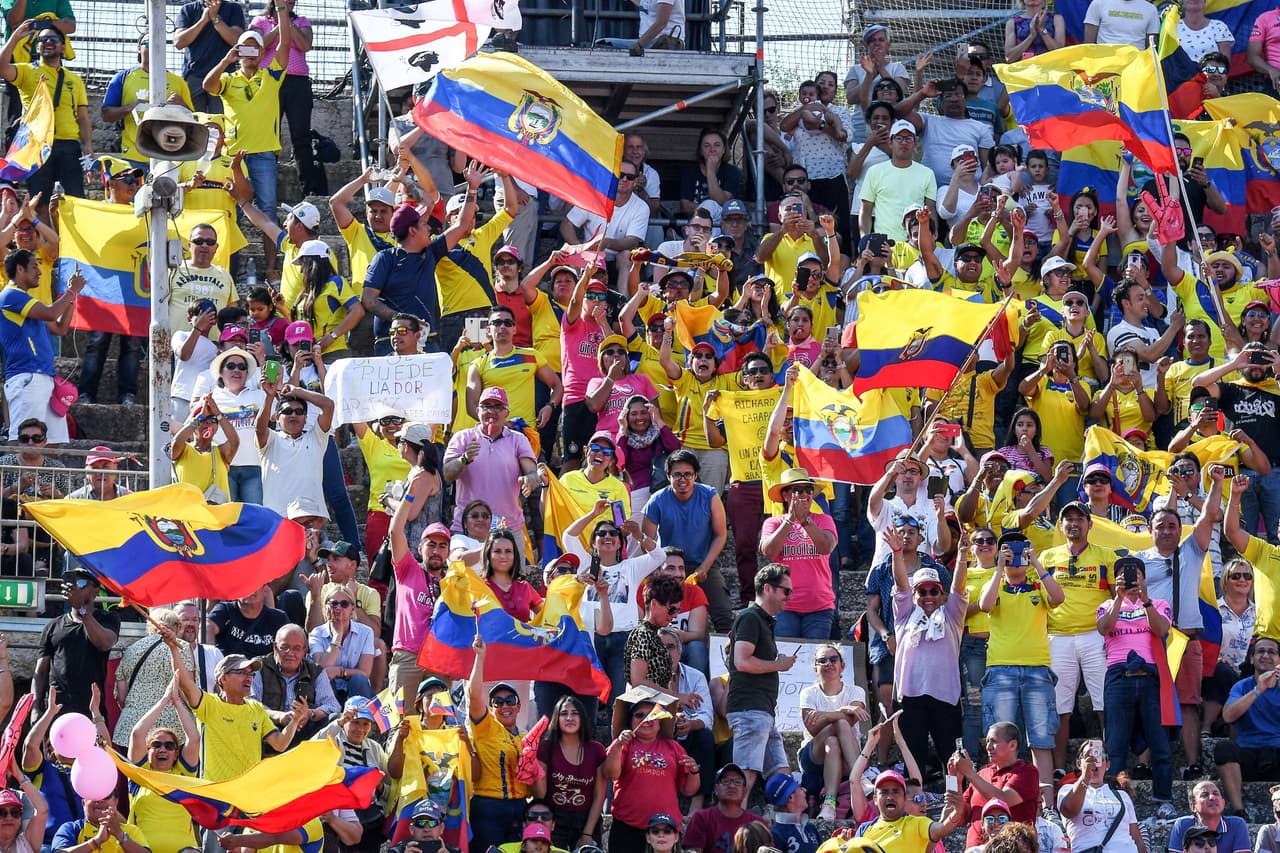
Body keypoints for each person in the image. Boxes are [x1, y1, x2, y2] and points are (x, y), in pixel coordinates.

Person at [162, 626, 305, 782]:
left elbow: (280, 744)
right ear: (224, 678)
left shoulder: (256, 707)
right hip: (216, 795)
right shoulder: (209, 704)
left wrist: (295, 720)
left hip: (247, 795)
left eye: (251, 673)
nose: (249, 678)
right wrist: (173, 648)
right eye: (242, 672)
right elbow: (184, 682)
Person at [207, 14, 293, 274]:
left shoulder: (271, 76)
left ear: (262, 51)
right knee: (230, 207)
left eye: (255, 47)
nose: (250, 53)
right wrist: (226, 60)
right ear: (238, 51)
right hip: (234, 156)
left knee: (267, 208)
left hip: (264, 153)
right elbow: (207, 85)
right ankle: (224, 265)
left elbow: (286, 45)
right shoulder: (229, 80)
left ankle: (270, 266)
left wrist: (281, 11)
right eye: (245, 47)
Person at [1096, 556, 1175, 818]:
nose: (1131, 578)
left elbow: (1161, 629)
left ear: (1143, 577)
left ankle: (1163, 799)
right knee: (1115, 744)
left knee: (1159, 742)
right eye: (1124, 574)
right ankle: (1113, 800)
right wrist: (1119, 597)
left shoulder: (1159, 603)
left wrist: (1145, 599)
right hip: (1119, 675)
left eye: (1136, 573)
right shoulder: (1107, 604)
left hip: (1151, 676)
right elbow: (1104, 628)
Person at [641, 450, 732, 632]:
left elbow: (721, 534)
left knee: (723, 614)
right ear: (668, 476)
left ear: (695, 475)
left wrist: (705, 567)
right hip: (667, 564)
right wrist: (661, 568)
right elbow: (647, 542)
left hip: (703, 563)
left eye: (688, 474)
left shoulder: (710, 496)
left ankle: (725, 657)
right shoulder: (657, 500)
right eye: (677, 475)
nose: (683, 479)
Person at [0, 22, 89, 207]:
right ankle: (43, 236)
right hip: (37, 147)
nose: (48, 42)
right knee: (39, 202)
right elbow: (2, 67)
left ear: (63, 46)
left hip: (69, 145)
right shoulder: (26, 70)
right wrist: (15, 37)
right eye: (42, 39)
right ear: (37, 46)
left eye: (54, 39)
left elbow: (83, 117)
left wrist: (88, 146)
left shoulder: (75, 79)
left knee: (76, 202)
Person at [727, 563, 796, 795]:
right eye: (786, 591)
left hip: (762, 712)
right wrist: (779, 665)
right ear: (768, 589)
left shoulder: (759, 620)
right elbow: (742, 662)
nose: (789, 597)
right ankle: (733, 826)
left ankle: (782, 825)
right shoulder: (750, 618)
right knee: (744, 776)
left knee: (782, 776)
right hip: (750, 710)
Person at [0, 250, 82, 443]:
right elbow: (52, 314)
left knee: (52, 442)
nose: (40, 272)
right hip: (26, 377)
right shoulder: (11, 295)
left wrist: (73, 294)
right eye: (34, 266)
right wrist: (70, 292)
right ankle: (16, 475)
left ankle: (46, 476)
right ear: (20, 269)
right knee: (24, 439)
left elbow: (60, 328)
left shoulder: (29, 302)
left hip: (44, 378)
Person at [602, 699, 700, 853]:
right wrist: (619, 744)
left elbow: (688, 790)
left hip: (664, 831)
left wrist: (694, 772)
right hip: (628, 828)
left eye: (652, 715)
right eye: (639, 715)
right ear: (631, 721)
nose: (646, 720)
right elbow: (609, 774)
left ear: (660, 722)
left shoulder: (673, 747)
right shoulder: (624, 744)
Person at [445, 387, 538, 540]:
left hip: (508, 529)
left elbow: (532, 472)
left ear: (506, 413)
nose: (492, 411)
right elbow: (448, 474)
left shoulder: (518, 439)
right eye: (487, 406)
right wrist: (465, 459)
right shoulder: (463, 437)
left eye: (498, 407)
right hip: (468, 528)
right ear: (477, 411)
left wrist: (530, 480)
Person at [466, 634, 530, 853]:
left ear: (519, 706)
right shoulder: (486, 728)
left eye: (510, 701)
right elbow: (474, 696)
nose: (505, 706)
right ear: (491, 708)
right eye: (498, 702)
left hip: (520, 807)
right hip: (488, 807)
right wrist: (480, 658)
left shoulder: (525, 738)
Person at [760, 469, 838, 640]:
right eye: (798, 490)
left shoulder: (824, 520)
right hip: (783, 607)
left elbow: (826, 547)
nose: (804, 495)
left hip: (819, 607)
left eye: (808, 490)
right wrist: (790, 520)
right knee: (785, 661)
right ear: (786, 495)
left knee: (817, 662)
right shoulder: (773, 523)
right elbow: (770, 552)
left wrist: (805, 522)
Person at [125, 680, 202, 853]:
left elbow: (194, 738)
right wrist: (164, 700)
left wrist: (176, 702)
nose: (162, 749)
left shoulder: (183, 775)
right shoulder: (140, 775)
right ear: (148, 750)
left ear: (176, 753)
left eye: (169, 746)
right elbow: (138, 734)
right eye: (156, 744)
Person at [34, 569, 120, 718]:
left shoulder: (108, 619)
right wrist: (35, 706)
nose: (74, 587)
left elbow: (104, 643)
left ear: (96, 591)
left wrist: (82, 610)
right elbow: (41, 671)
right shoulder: (53, 626)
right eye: (70, 583)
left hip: (92, 713)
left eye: (81, 583)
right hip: (57, 712)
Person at [797, 645, 867, 821]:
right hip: (813, 756)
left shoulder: (856, 691)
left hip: (843, 754)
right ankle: (860, 776)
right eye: (822, 660)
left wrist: (825, 716)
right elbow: (812, 728)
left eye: (833, 659)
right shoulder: (808, 693)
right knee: (840, 723)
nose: (828, 663)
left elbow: (852, 720)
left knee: (833, 742)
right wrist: (843, 710)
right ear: (815, 667)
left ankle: (829, 804)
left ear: (842, 665)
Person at [1215, 636, 1280, 818]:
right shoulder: (1242, 686)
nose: (1265, 655)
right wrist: (1258, 690)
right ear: (1251, 659)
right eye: (1260, 651)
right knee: (1223, 749)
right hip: (1247, 754)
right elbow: (1227, 716)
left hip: (1276, 752)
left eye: (1271, 652)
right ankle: (1239, 810)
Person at [255, 375, 334, 519]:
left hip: (312, 517)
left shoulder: (316, 438)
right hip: (278, 518)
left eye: (299, 412)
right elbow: (259, 429)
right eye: (287, 411)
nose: (293, 415)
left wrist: (297, 391)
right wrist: (269, 396)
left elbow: (328, 405)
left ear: (305, 418)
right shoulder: (271, 440)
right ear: (277, 417)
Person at [533, 696, 606, 850]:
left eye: (575, 713)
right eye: (564, 713)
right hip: (553, 820)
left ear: (583, 718)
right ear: (556, 718)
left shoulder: (596, 750)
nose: (569, 718)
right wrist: (534, 765)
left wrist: (587, 833)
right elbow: (540, 794)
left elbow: (600, 795)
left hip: (586, 819)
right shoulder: (546, 748)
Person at [251, 623, 340, 744]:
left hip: (305, 732)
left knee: (335, 719)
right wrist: (279, 716)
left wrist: (309, 714)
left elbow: (333, 706)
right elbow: (250, 703)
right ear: (275, 647)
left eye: (297, 648)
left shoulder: (316, 671)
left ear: (305, 651)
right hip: (270, 730)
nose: (290, 653)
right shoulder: (259, 667)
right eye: (284, 647)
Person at [1056, 739, 1144, 853]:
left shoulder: (1122, 796)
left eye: (1099, 756)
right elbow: (1069, 810)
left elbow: (1137, 838)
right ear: (1079, 763)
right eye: (1088, 756)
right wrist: (1085, 777)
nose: (1094, 761)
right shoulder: (1067, 790)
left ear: (1107, 764)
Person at [857, 120, 937, 243]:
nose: (904, 142)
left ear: (915, 142)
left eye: (908, 138)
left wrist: (932, 239)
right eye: (899, 138)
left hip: (916, 244)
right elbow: (865, 210)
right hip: (885, 245)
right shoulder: (875, 171)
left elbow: (931, 210)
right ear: (890, 142)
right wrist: (865, 240)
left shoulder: (927, 173)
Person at [861, 769, 964, 853]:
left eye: (896, 792)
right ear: (875, 799)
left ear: (903, 798)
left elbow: (942, 828)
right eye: (884, 792)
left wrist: (956, 812)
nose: (890, 797)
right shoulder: (864, 829)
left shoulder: (919, 824)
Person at [308, 583, 377, 702]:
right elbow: (322, 669)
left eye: (344, 604)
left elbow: (365, 672)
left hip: (356, 688)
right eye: (334, 603)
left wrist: (339, 672)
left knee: (359, 679)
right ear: (326, 608)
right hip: (328, 688)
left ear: (352, 609)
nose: (338, 608)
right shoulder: (317, 633)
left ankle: (361, 717)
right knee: (325, 680)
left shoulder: (365, 632)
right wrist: (337, 636)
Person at [175, 0, 246, 112]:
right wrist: (203, 20)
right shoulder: (188, 9)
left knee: (222, 123)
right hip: (194, 76)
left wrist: (215, 18)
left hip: (223, 77)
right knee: (194, 123)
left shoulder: (233, 8)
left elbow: (237, 41)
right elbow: (179, 42)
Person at [683, 763, 765, 853]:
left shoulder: (757, 823)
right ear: (716, 788)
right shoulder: (701, 818)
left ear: (745, 791)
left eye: (737, 782)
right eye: (725, 781)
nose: (731, 786)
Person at [1168, 781, 1252, 853]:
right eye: (1204, 795)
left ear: (1223, 803)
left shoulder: (1237, 825)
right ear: (1193, 806)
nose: (1212, 797)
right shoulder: (1182, 825)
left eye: (1216, 793)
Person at [208, 585, 289, 659]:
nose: (250, 589)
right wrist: (210, 658)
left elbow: (293, 642)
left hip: (265, 671)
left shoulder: (278, 618)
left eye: (255, 584)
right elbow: (207, 627)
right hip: (233, 670)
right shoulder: (225, 610)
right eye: (245, 584)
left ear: (265, 591)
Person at [51, 796, 150, 853]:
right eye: (94, 796)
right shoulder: (71, 828)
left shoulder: (131, 830)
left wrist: (120, 836)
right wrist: (96, 841)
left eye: (106, 796)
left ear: (116, 802)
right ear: (83, 802)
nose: (100, 800)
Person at [766, 771, 821, 853]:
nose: (804, 790)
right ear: (791, 797)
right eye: (799, 788)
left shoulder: (810, 828)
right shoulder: (776, 835)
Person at [387, 800, 459, 853]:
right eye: (420, 823)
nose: (426, 829)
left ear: (441, 828)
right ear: (411, 829)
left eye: (432, 823)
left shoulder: (454, 852)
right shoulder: (396, 851)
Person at [1083, 0, 1159, 47]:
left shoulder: (1151, 9)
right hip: (1104, 65)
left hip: (1136, 66)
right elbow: (1088, 44)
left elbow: (1151, 48)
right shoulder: (1098, 3)